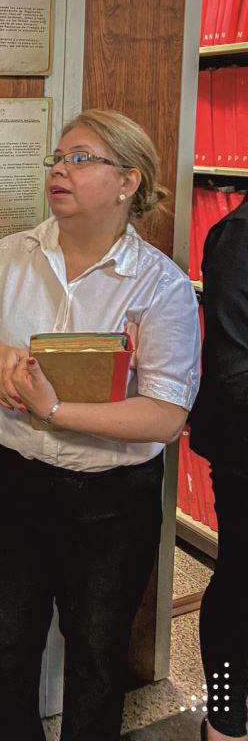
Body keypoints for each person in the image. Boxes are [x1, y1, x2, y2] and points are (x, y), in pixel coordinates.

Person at [0, 110, 201, 741]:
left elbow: (166, 415)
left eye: (81, 158)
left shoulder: (160, 284)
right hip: (11, 481)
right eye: (56, 159)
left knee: (94, 653)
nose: (59, 169)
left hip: (111, 502)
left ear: (127, 182)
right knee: (9, 647)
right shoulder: (12, 255)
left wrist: (53, 408)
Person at [189, 202, 248, 741]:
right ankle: (226, 717)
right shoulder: (237, 236)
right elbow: (233, 368)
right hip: (242, 450)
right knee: (239, 582)